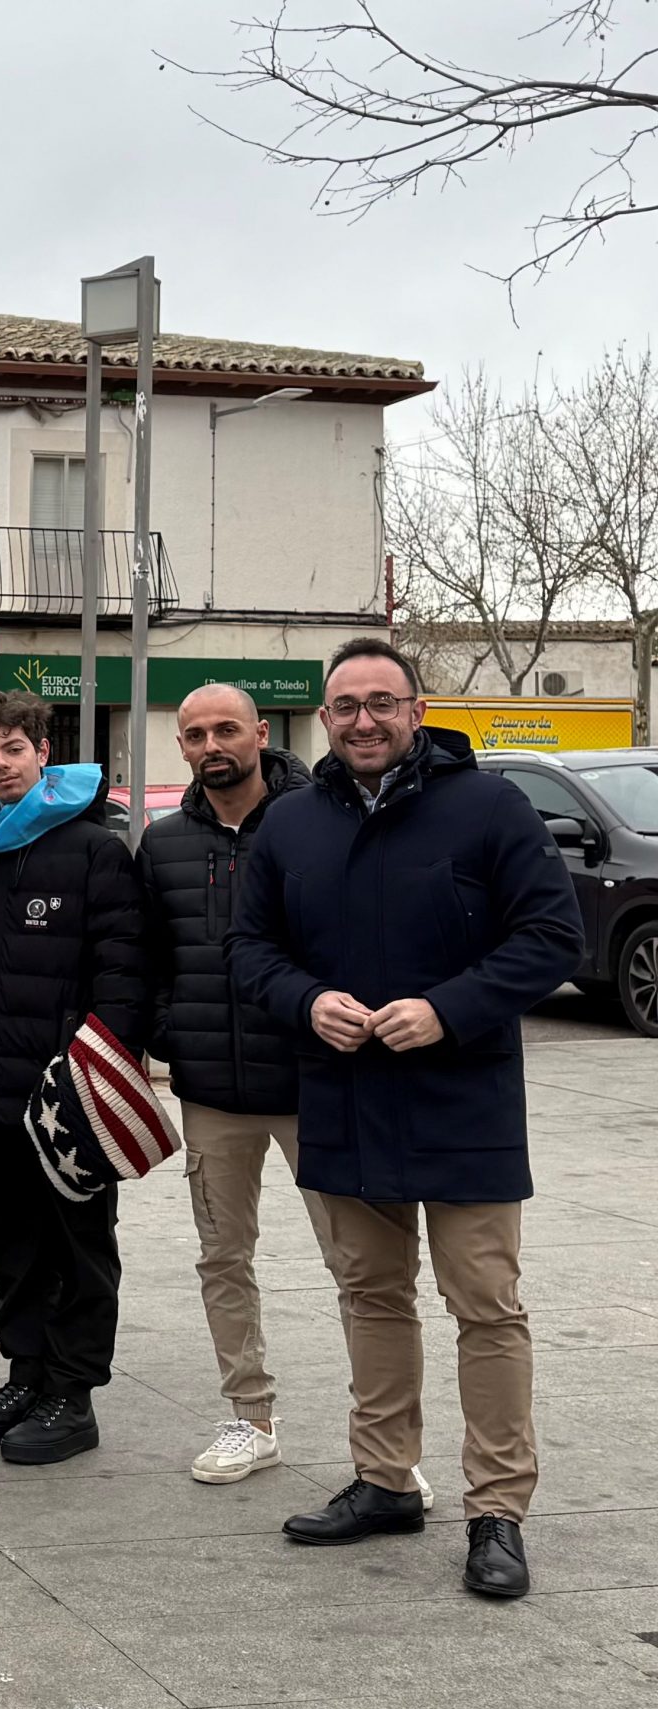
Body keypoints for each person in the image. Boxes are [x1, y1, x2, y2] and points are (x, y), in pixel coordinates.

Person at [227, 637, 583, 1601]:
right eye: (346, 706)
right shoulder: (291, 823)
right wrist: (307, 1002)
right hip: (345, 1097)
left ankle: (497, 1510)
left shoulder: (490, 808)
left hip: (463, 1100)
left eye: (383, 702)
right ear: (325, 718)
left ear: (417, 712)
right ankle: (385, 1480)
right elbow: (249, 949)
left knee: (486, 1306)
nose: (365, 721)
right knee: (370, 1296)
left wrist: (449, 1009)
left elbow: (553, 936)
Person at [138, 684, 346, 1485]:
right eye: (195, 734)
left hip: (311, 1082)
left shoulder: (318, 823)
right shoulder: (162, 843)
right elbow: (149, 954)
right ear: (182, 746)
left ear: (261, 733)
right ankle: (249, 1419)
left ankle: (383, 1446)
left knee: (356, 1265)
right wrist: (168, 1032)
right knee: (223, 1259)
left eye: (227, 729)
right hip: (211, 1091)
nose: (212, 745)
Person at [0, 688, 146, 1467]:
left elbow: (123, 976)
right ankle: (26, 1374)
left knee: (78, 1247)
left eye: (13, 750)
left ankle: (73, 1392)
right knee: (12, 1241)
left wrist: (98, 1070)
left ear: (42, 751)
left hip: (71, 1098)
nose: (0, 767)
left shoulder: (94, 849)